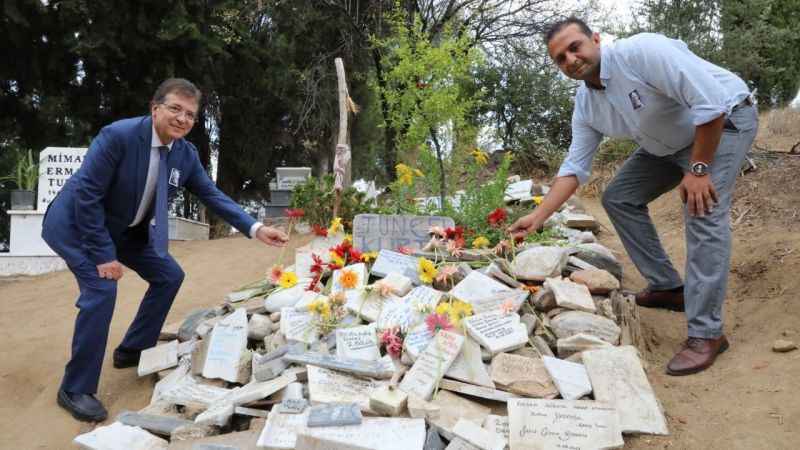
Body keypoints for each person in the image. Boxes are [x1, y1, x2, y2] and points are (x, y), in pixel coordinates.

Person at [508, 18, 757, 376]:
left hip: (725, 120)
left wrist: (699, 170)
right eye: (560, 58)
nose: (571, 59)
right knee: (619, 197)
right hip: (669, 143)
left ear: (595, 39)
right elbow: (575, 167)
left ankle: (707, 334)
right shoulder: (586, 105)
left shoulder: (642, 52)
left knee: (701, 210)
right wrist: (539, 216)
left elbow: (711, 105)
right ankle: (669, 288)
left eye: (575, 47)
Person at [42, 78, 289, 422]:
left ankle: (132, 349)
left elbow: (211, 195)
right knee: (101, 289)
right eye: (175, 108)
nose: (182, 118)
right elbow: (87, 197)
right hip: (78, 226)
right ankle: (75, 387)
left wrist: (256, 227)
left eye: (190, 114)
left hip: (126, 229)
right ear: (154, 107)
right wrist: (103, 256)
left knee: (169, 274)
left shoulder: (184, 154)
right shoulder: (119, 136)